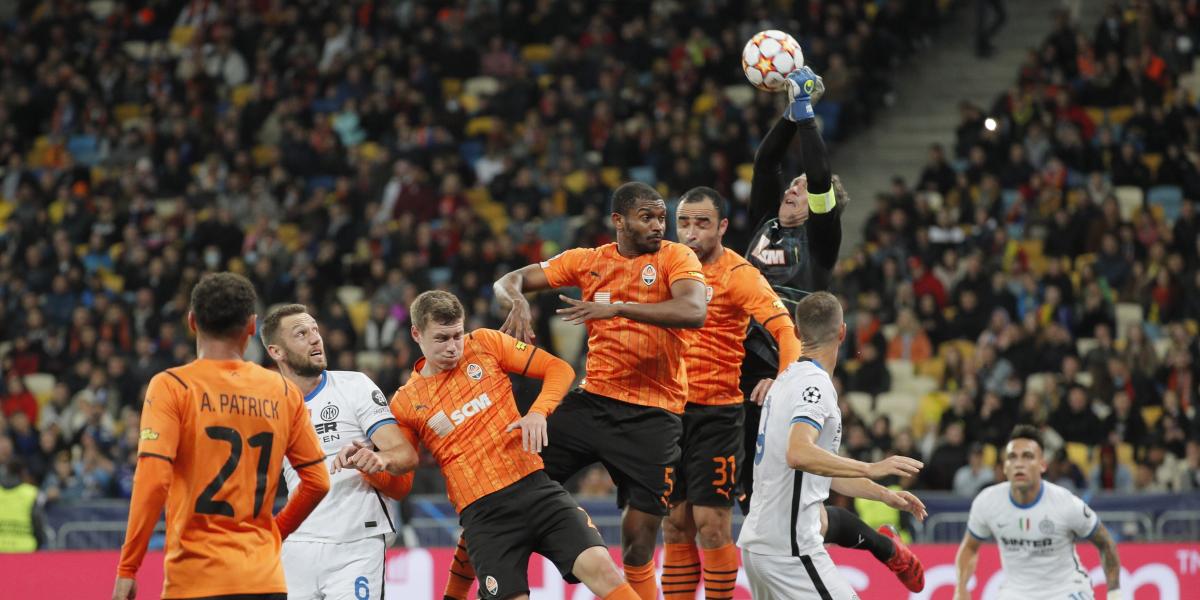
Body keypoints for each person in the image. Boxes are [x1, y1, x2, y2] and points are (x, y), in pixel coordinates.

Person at [740, 67, 926, 592]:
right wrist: (788, 114)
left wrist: (808, 121)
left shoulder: (819, 241)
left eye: (801, 188)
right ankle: (882, 543)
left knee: (792, 510)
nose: (793, 188)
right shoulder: (761, 225)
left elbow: (819, 181)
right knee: (779, 505)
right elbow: (764, 162)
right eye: (791, 185)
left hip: (787, 364)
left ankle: (882, 545)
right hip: (741, 368)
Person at [336, 291, 640, 600]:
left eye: (457, 335)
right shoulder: (405, 402)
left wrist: (537, 412)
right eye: (441, 339)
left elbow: (560, 369)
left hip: (536, 489)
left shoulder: (485, 343)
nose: (453, 347)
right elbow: (401, 484)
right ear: (416, 334)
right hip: (485, 518)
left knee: (604, 570)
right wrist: (373, 467)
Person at [484, 180, 708, 600]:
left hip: (654, 416)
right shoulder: (586, 261)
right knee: (513, 477)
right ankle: (496, 579)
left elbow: (694, 310)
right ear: (618, 221)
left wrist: (619, 307)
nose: (659, 226)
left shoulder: (676, 257)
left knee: (639, 540)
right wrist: (515, 299)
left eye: (661, 217)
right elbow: (508, 279)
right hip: (594, 402)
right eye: (648, 217)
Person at [113, 272, 331, 600]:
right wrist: (275, 530)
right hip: (265, 579)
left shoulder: (172, 386)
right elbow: (317, 481)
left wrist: (128, 568)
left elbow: (153, 479)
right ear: (251, 327)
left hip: (197, 579)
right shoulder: (283, 390)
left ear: (191, 322)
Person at [661, 186, 802, 599]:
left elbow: (785, 330)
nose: (691, 232)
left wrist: (785, 378)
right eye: (684, 222)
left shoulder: (740, 275)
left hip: (718, 415)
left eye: (702, 223)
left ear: (721, 226)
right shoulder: (662, 266)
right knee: (674, 522)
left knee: (710, 522)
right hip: (666, 413)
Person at [738, 291, 927, 600]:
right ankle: (886, 550)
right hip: (790, 551)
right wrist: (872, 467)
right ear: (842, 333)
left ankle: (886, 548)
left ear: (797, 333)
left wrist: (884, 496)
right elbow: (799, 453)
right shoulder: (815, 386)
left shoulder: (783, 380)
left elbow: (821, 468)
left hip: (759, 547)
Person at [260, 304, 415, 600]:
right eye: (301, 334)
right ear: (276, 351)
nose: (315, 338)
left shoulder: (354, 385)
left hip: (358, 542)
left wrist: (378, 458)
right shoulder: (269, 405)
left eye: (315, 330)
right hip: (297, 544)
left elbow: (405, 455)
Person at [954, 425, 1123, 600]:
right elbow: (969, 547)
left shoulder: (1065, 503)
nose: (1019, 463)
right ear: (1005, 467)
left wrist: (1115, 593)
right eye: (1012, 457)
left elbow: (1105, 542)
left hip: (1066, 591)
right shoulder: (987, 502)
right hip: (1015, 593)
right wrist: (961, 588)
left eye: (1028, 456)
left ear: (1043, 465)